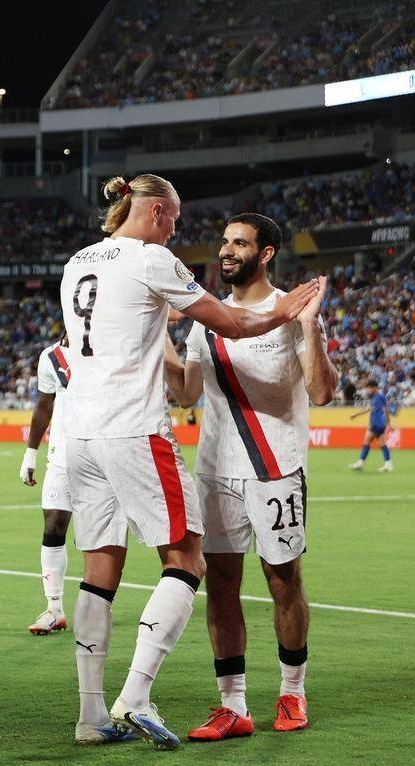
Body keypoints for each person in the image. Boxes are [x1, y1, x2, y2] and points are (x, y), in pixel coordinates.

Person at [60, 174, 319, 750]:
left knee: (100, 568)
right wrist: (288, 310)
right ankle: (137, 694)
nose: (176, 232)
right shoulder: (152, 259)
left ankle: (91, 715)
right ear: (156, 211)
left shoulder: (77, 262)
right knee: (186, 559)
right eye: (174, 220)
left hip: (78, 434)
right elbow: (233, 324)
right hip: (132, 428)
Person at [165, 212, 337, 741]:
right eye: (224, 242)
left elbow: (322, 391)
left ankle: (292, 691)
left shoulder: (292, 310)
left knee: (283, 580)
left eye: (239, 243)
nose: (226, 251)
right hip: (216, 470)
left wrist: (310, 327)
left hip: (275, 468)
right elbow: (186, 393)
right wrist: (154, 336)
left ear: (265, 254)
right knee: (220, 585)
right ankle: (232, 705)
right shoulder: (207, 321)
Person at [20, 335, 76, 637]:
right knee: (53, 523)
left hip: (101, 453)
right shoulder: (51, 357)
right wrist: (30, 454)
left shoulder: (108, 341)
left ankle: (99, 603)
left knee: (99, 536)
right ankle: (54, 608)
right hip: (61, 457)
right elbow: (44, 405)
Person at [349, 379, 394, 472]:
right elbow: (370, 409)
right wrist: (356, 415)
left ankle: (360, 463)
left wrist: (389, 423)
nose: (368, 390)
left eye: (369, 388)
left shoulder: (379, 397)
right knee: (382, 444)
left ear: (374, 388)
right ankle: (388, 464)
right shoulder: (376, 397)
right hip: (381, 424)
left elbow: (385, 410)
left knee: (366, 442)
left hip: (375, 423)